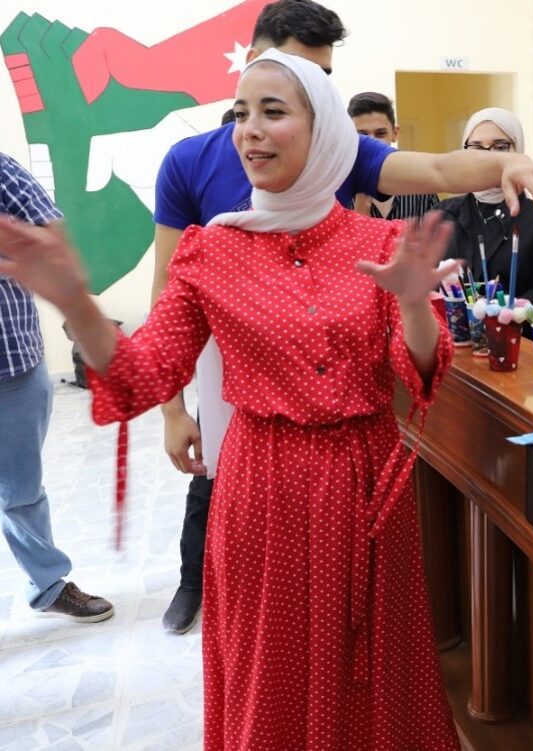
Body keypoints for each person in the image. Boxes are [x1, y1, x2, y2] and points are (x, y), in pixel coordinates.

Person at [0, 49, 462, 750]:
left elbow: (420, 371)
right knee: (268, 666)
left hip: (365, 487)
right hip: (261, 492)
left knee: (371, 667)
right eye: (240, 113)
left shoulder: (382, 241)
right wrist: (75, 302)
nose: (249, 130)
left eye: (273, 112)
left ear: (325, 130)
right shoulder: (209, 252)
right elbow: (142, 373)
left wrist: (414, 306)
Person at [152, 0, 533, 635]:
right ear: (257, 60)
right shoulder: (190, 163)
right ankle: (194, 583)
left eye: (323, 74)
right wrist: (174, 409)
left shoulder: (337, 151)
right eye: (298, 71)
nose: (315, 88)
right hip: (237, 368)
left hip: (330, 364)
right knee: (224, 499)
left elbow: (435, 169)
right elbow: (167, 293)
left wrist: (506, 162)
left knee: (345, 597)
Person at [0, 153, 113, 623]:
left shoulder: (1, 169)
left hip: (11, 368)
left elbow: (50, 232)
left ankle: (47, 584)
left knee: (21, 492)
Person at [437, 108, 533, 311]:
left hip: (516, 337)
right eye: (477, 148)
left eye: (500, 147)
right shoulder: (442, 215)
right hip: (452, 339)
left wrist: (514, 311)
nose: (488, 158)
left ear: (518, 153)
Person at [347, 91, 439, 220]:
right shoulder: (335, 187)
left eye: (380, 134)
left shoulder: (420, 183)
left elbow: (437, 237)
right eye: (362, 136)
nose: (372, 143)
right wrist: (360, 212)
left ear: (395, 133)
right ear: (348, 136)